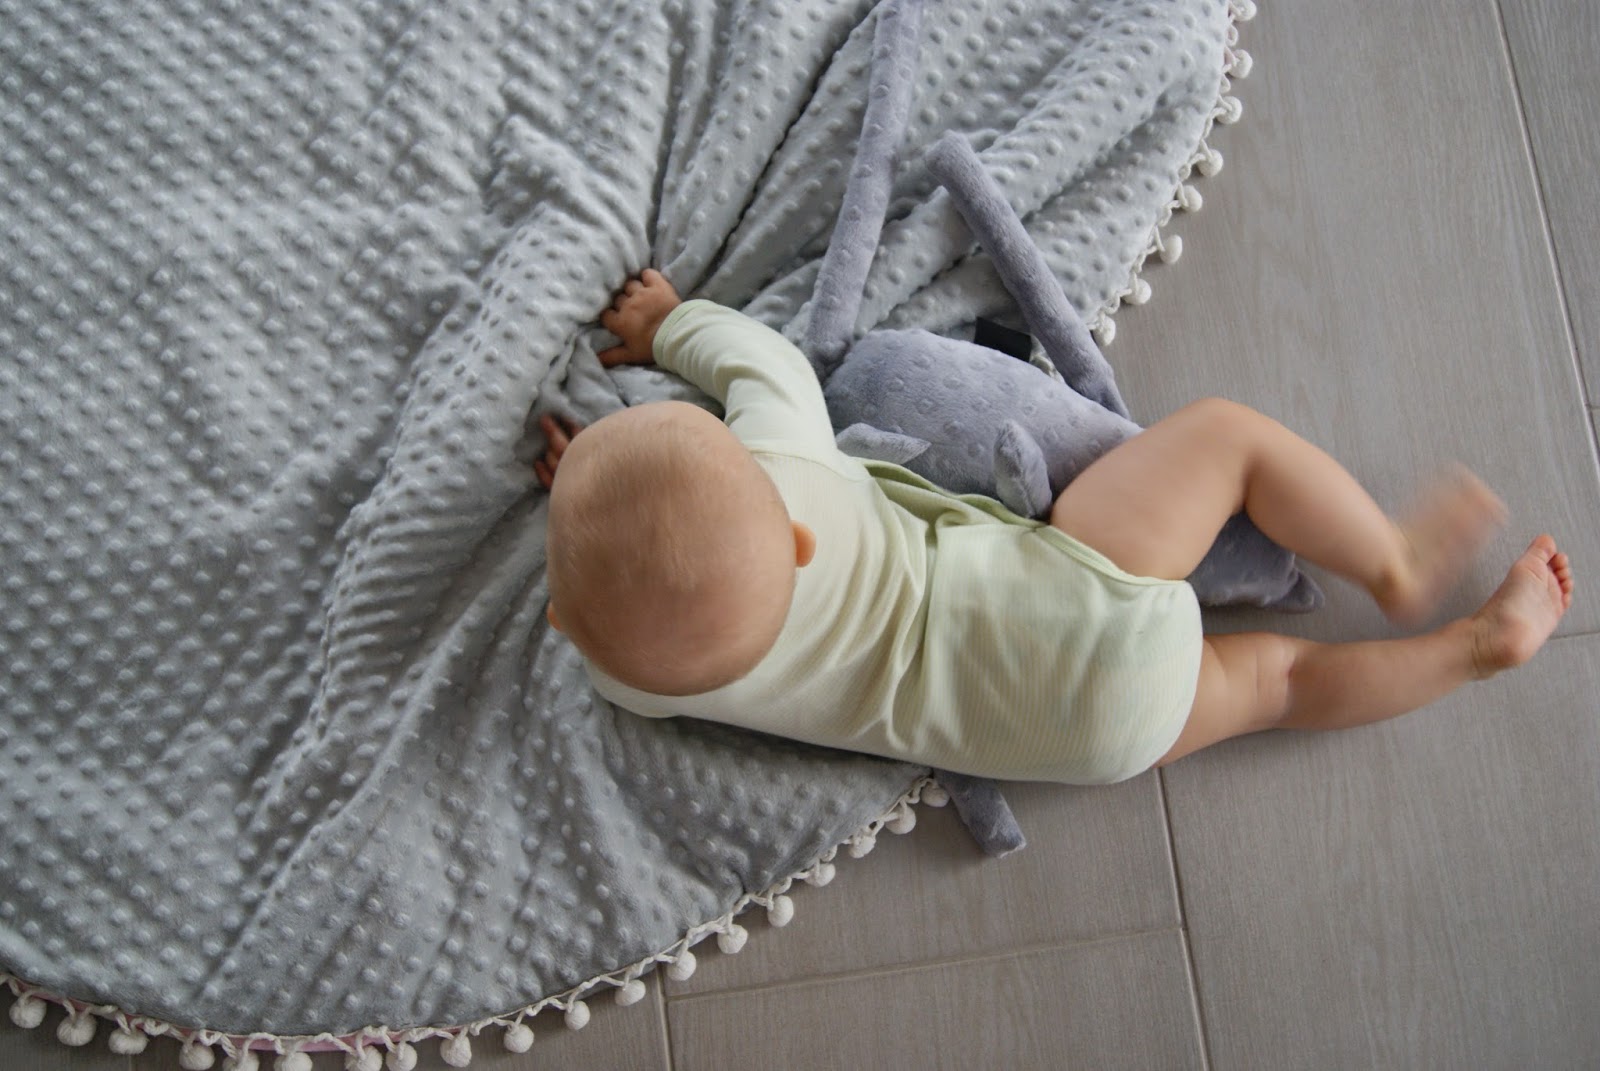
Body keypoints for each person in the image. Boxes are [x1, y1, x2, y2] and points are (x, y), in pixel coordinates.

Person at [535, 269, 1573, 783]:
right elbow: (763, 368)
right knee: (1227, 439)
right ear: (799, 537)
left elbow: (631, 591)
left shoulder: (633, 678)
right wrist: (667, 327)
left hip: (1092, 736)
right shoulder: (793, 473)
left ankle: (1476, 650)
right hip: (1070, 588)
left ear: (561, 622)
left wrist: (589, 515)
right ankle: (1392, 564)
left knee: (1283, 687)